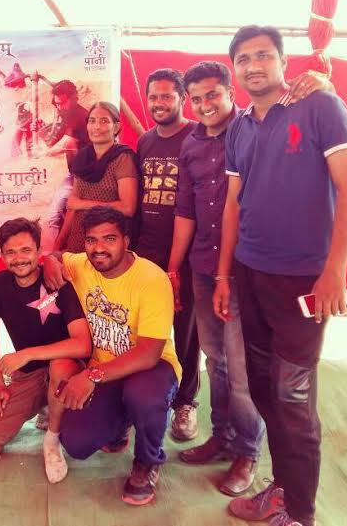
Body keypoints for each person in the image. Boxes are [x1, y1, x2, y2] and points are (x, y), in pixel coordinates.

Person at [213, 25, 347, 526]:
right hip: (251, 275)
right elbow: (233, 205)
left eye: (263, 56)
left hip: (304, 282)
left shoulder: (320, 107)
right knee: (260, 385)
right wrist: (224, 275)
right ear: (235, 70)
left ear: (282, 61)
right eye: (243, 59)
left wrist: (334, 271)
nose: (253, 66)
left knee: (292, 396)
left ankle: (300, 515)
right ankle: (282, 488)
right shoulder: (239, 127)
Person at [167, 61, 265, 496]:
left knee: (242, 369)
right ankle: (221, 437)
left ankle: (248, 451)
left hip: (243, 270)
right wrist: (174, 267)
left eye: (213, 95)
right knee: (215, 360)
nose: (205, 105)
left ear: (231, 92)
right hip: (202, 268)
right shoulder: (190, 143)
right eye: (197, 98)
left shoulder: (252, 131)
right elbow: (185, 210)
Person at [43, 206, 181, 506]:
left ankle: (147, 461)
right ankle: (121, 425)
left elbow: (149, 353)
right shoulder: (80, 264)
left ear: (126, 241)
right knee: (76, 443)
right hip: (106, 369)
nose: (99, 248)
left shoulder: (151, 279)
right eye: (91, 240)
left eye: (109, 239)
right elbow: (57, 256)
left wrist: (91, 376)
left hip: (150, 368)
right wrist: (50, 260)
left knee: (144, 396)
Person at [0, 218, 92, 483]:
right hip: (28, 376)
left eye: (26, 250)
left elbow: (83, 344)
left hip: (67, 372)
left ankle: (52, 439)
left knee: (59, 365)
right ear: (2, 255)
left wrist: (27, 353)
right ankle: (44, 403)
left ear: (39, 251)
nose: (19, 259)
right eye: (10, 252)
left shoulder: (55, 280)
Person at [136, 68, 201, 441]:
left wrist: (177, 265)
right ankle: (143, 401)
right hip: (146, 253)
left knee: (187, 331)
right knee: (145, 329)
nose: (159, 103)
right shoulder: (145, 141)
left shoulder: (198, 135)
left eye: (166, 96)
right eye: (154, 96)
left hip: (188, 255)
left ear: (182, 99)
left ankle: (186, 402)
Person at [55, 101, 138, 252]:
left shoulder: (123, 158)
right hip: (77, 243)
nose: (97, 127)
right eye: (92, 121)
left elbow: (128, 208)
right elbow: (72, 206)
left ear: (116, 127)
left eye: (104, 121)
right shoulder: (83, 157)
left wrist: (83, 204)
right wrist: (59, 242)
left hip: (106, 247)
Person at [43, 79, 90, 240]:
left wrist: (44, 153)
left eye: (62, 103)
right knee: (60, 216)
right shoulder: (68, 115)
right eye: (56, 104)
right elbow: (53, 140)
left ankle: (53, 252)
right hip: (74, 174)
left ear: (74, 97)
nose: (59, 107)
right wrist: (40, 129)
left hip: (83, 178)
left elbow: (67, 143)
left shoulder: (77, 114)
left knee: (55, 216)